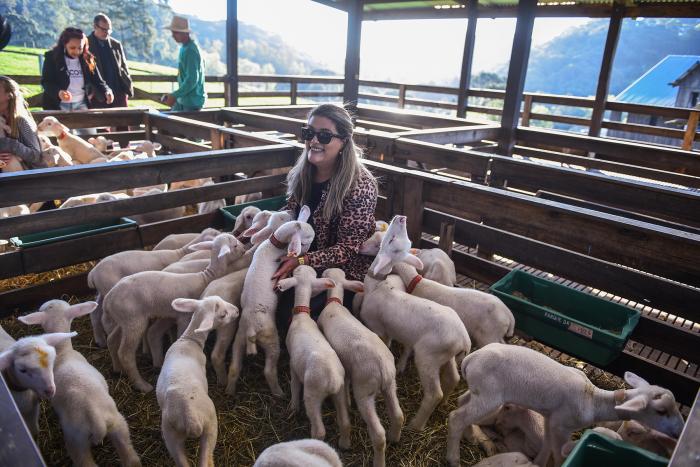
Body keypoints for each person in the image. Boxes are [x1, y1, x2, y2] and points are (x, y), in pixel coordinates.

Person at [271, 103, 378, 330]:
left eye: (325, 136)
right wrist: (271, 231)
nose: (314, 141)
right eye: (309, 133)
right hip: (300, 256)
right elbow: (290, 211)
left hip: (340, 272)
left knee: (287, 319)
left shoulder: (360, 185)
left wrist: (301, 261)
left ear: (343, 142)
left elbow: (348, 249)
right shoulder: (304, 172)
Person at [41, 27, 113, 111]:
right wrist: (59, 92)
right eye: (72, 48)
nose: (77, 51)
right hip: (57, 104)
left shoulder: (88, 59)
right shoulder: (52, 57)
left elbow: (98, 80)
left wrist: (107, 91)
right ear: (64, 44)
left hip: (81, 104)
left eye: (80, 48)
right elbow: (46, 82)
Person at [0, 76, 46, 171]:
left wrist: (11, 146)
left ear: (9, 95)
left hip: (29, 173)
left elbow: (36, 156)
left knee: (8, 162)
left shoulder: (21, 121)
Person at [87, 13, 133, 108]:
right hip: (98, 95)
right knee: (100, 122)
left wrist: (126, 87)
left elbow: (124, 67)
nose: (107, 33)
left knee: (123, 121)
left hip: (119, 94)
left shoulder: (116, 44)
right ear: (95, 26)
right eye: (103, 29)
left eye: (109, 30)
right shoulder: (86, 44)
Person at [161, 16, 206, 111]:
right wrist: (175, 95)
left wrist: (174, 95)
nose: (173, 35)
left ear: (185, 33)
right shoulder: (186, 48)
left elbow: (192, 79)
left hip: (191, 102)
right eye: (172, 32)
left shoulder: (190, 50)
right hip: (185, 99)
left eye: (175, 32)